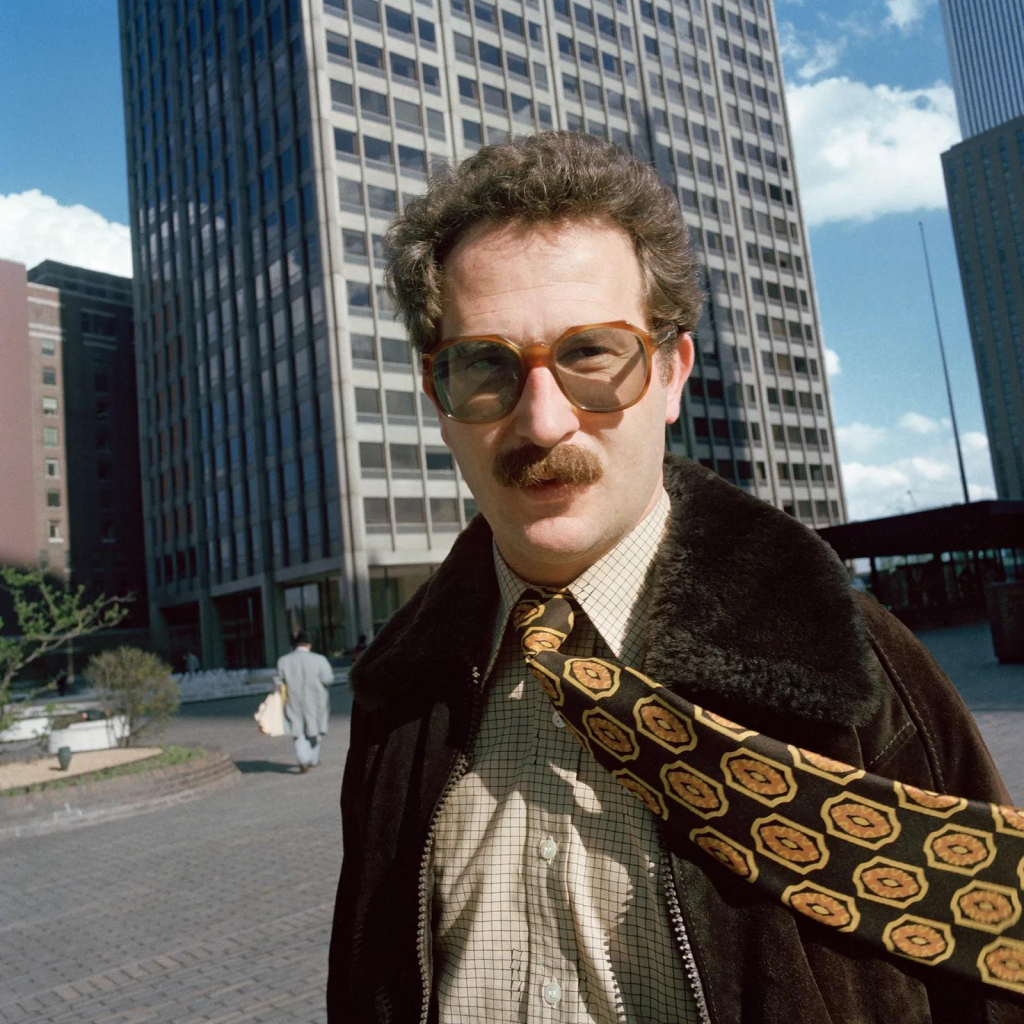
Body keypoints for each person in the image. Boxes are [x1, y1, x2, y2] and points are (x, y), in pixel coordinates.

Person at [328, 133, 1023, 1022]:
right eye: (487, 366)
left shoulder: (855, 670)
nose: (542, 422)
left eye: (591, 355)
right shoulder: (396, 700)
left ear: (670, 374)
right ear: (440, 398)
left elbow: (997, 966)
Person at [275, 631, 332, 773]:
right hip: (315, 700)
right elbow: (328, 679)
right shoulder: (320, 659)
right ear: (309, 645)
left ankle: (303, 759)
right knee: (315, 729)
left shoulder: (283, 661)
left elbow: (278, 682)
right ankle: (313, 758)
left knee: (298, 730)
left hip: (293, 699)